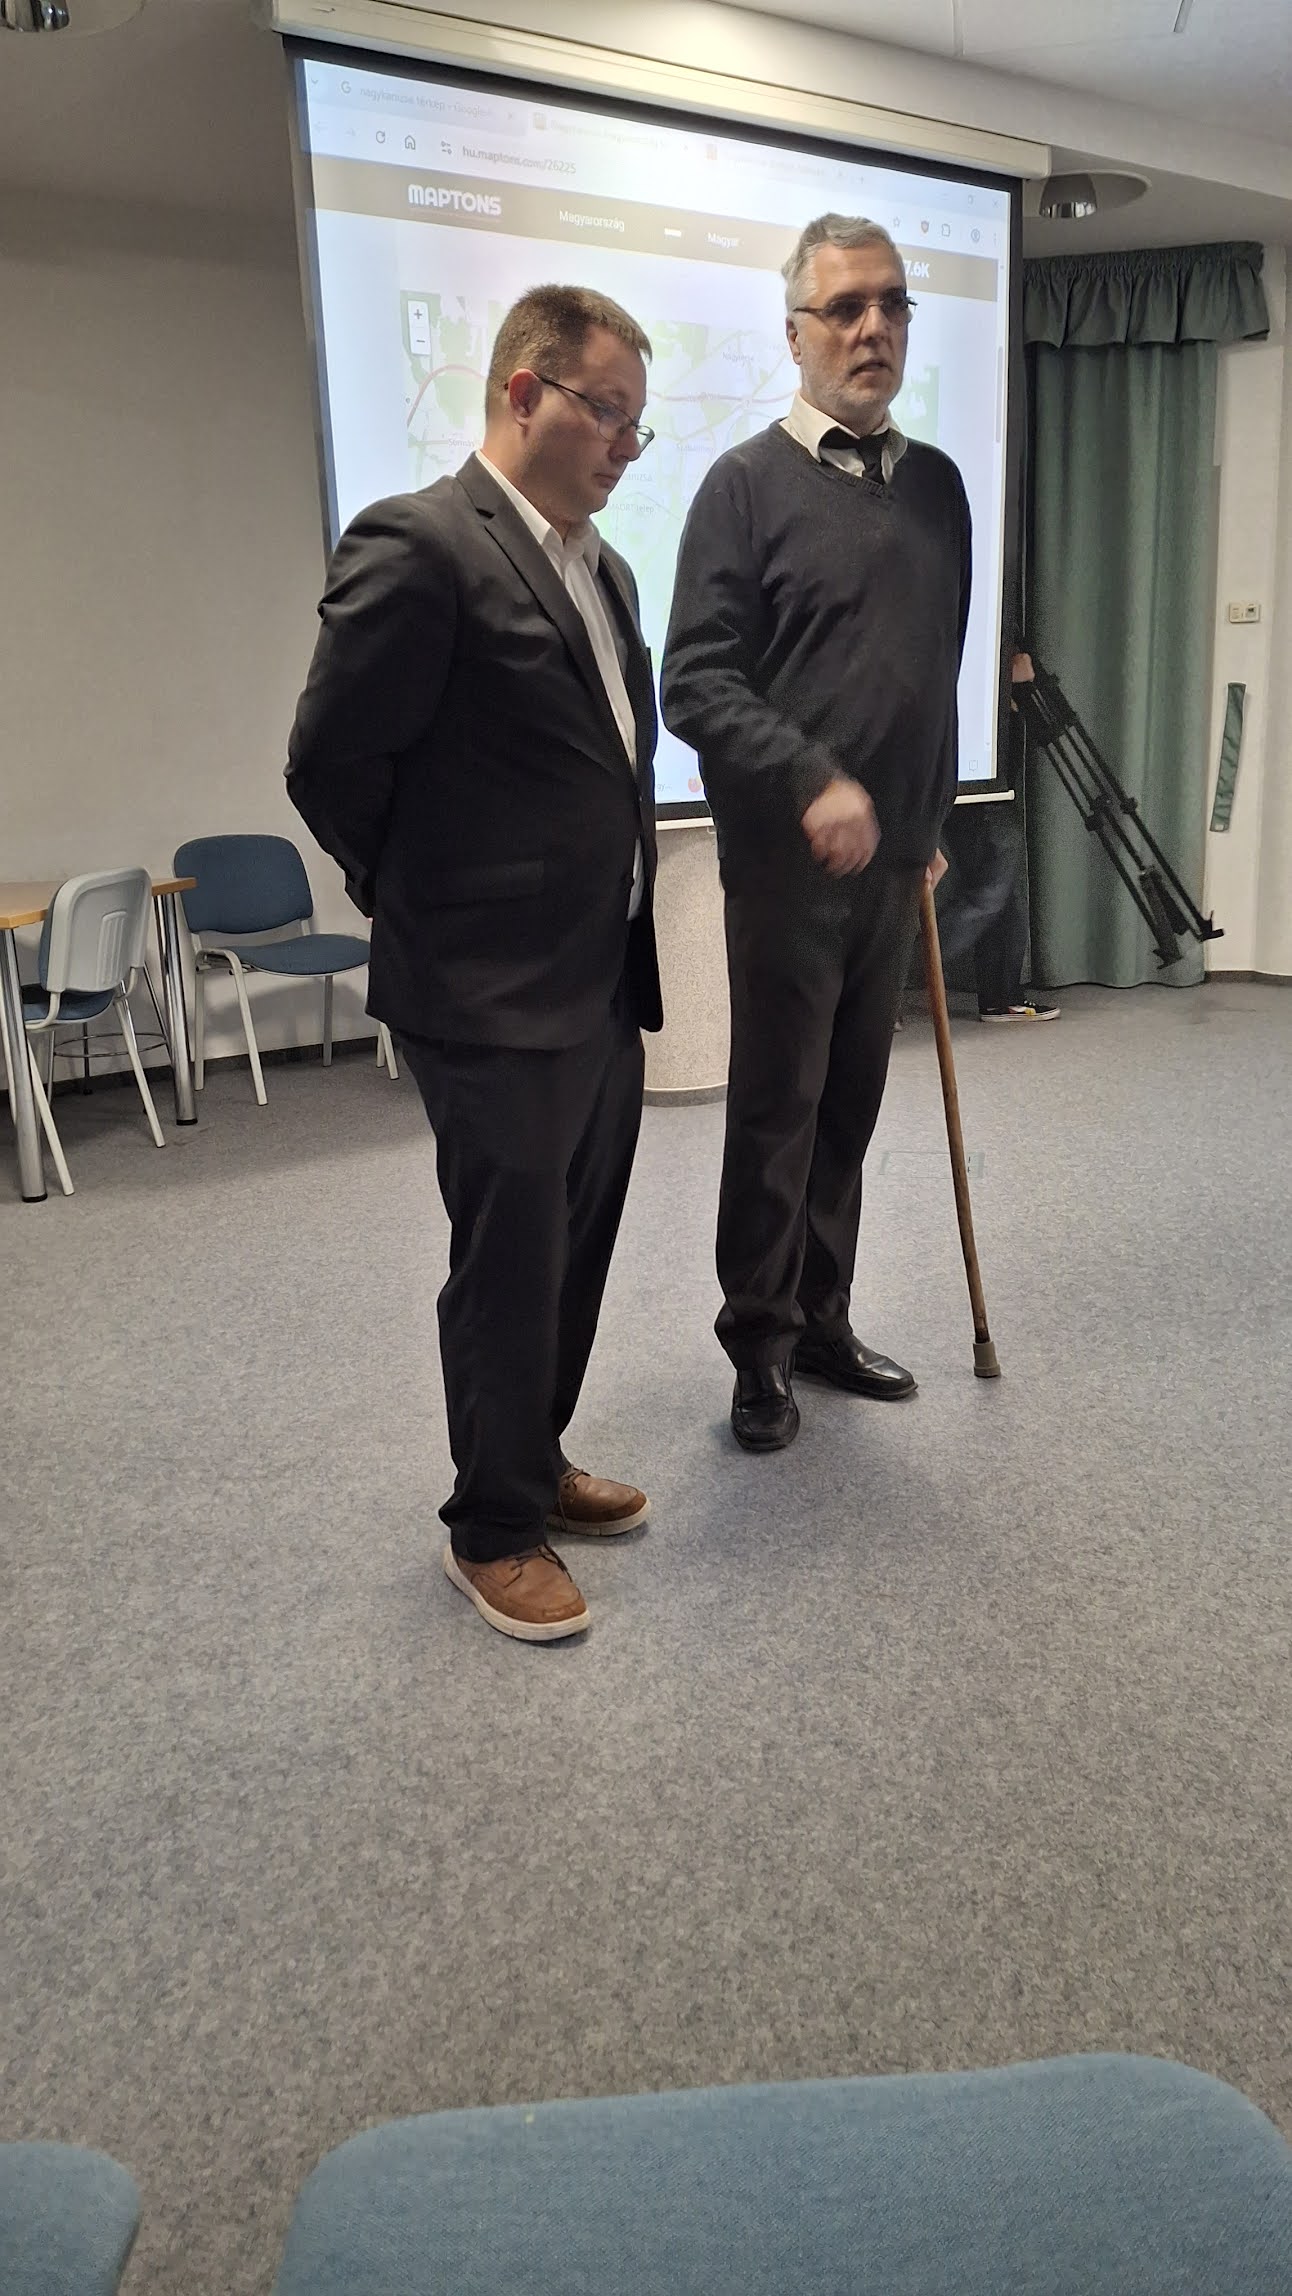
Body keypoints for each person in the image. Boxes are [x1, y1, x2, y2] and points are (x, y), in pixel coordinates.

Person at [286, 285, 662, 1641]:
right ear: (522, 392)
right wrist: (423, 902)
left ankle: (532, 1456)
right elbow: (331, 761)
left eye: (638, 425)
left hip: (601, 976)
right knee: (505, 1258)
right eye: (606, 411)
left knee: (573, 1244)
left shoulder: (603, 569)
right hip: (486, 985)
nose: (624, 445)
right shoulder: (421, 543)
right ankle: (490, 1529)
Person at [661, 214, 970, 1453]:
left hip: (892, 868)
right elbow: (694, 681)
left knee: (847, 1110)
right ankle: (758, 1345)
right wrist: (811, 780)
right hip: (786, 872)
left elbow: (933, 668)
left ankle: (823, 1320)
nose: (872, 328)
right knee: (777, 1116)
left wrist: (927, 817)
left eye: (891, 305)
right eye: (844, 308)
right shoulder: (740, 486)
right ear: (794, 334)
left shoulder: (937, 485)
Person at [935, 651, 1059, 1023]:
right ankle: (881, 981)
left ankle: (1001, 996)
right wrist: (1012, 680)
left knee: (1004, 896)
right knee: (988, 896)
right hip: (978, 786)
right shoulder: (975, 651)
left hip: (986, 785)